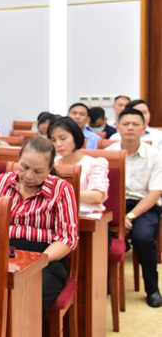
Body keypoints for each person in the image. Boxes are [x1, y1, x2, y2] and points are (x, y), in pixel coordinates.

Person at [0, 137, 78, 313]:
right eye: (24, 167)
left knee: (27, 305)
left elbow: (67, 239)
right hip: (4, 253)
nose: (29, 176)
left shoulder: (61, 189)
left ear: (50, 169)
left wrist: (38, 260)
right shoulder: (2, 181)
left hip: (45, 259)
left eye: (38, 171)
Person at [106, 108, 162, 307]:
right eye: (126, 124)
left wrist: (129, 216)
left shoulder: (155, 155)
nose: (130, 128)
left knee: (143, 237)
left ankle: (152, 289)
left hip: (143, 206)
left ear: (144, 128)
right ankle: (104, 282)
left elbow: (155, 192)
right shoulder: (107, 154)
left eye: (135, 124)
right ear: (118, 127)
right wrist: (117, 215)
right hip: (112, 204)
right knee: (99, 235)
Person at [49, 117, 109, 212]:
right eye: (53, 140)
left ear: (76, 136)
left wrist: (61, 193)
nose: (58, 144)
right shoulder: (51, 164)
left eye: (63, 138)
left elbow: (97, 197)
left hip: (87, 216)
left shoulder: (94, 163)